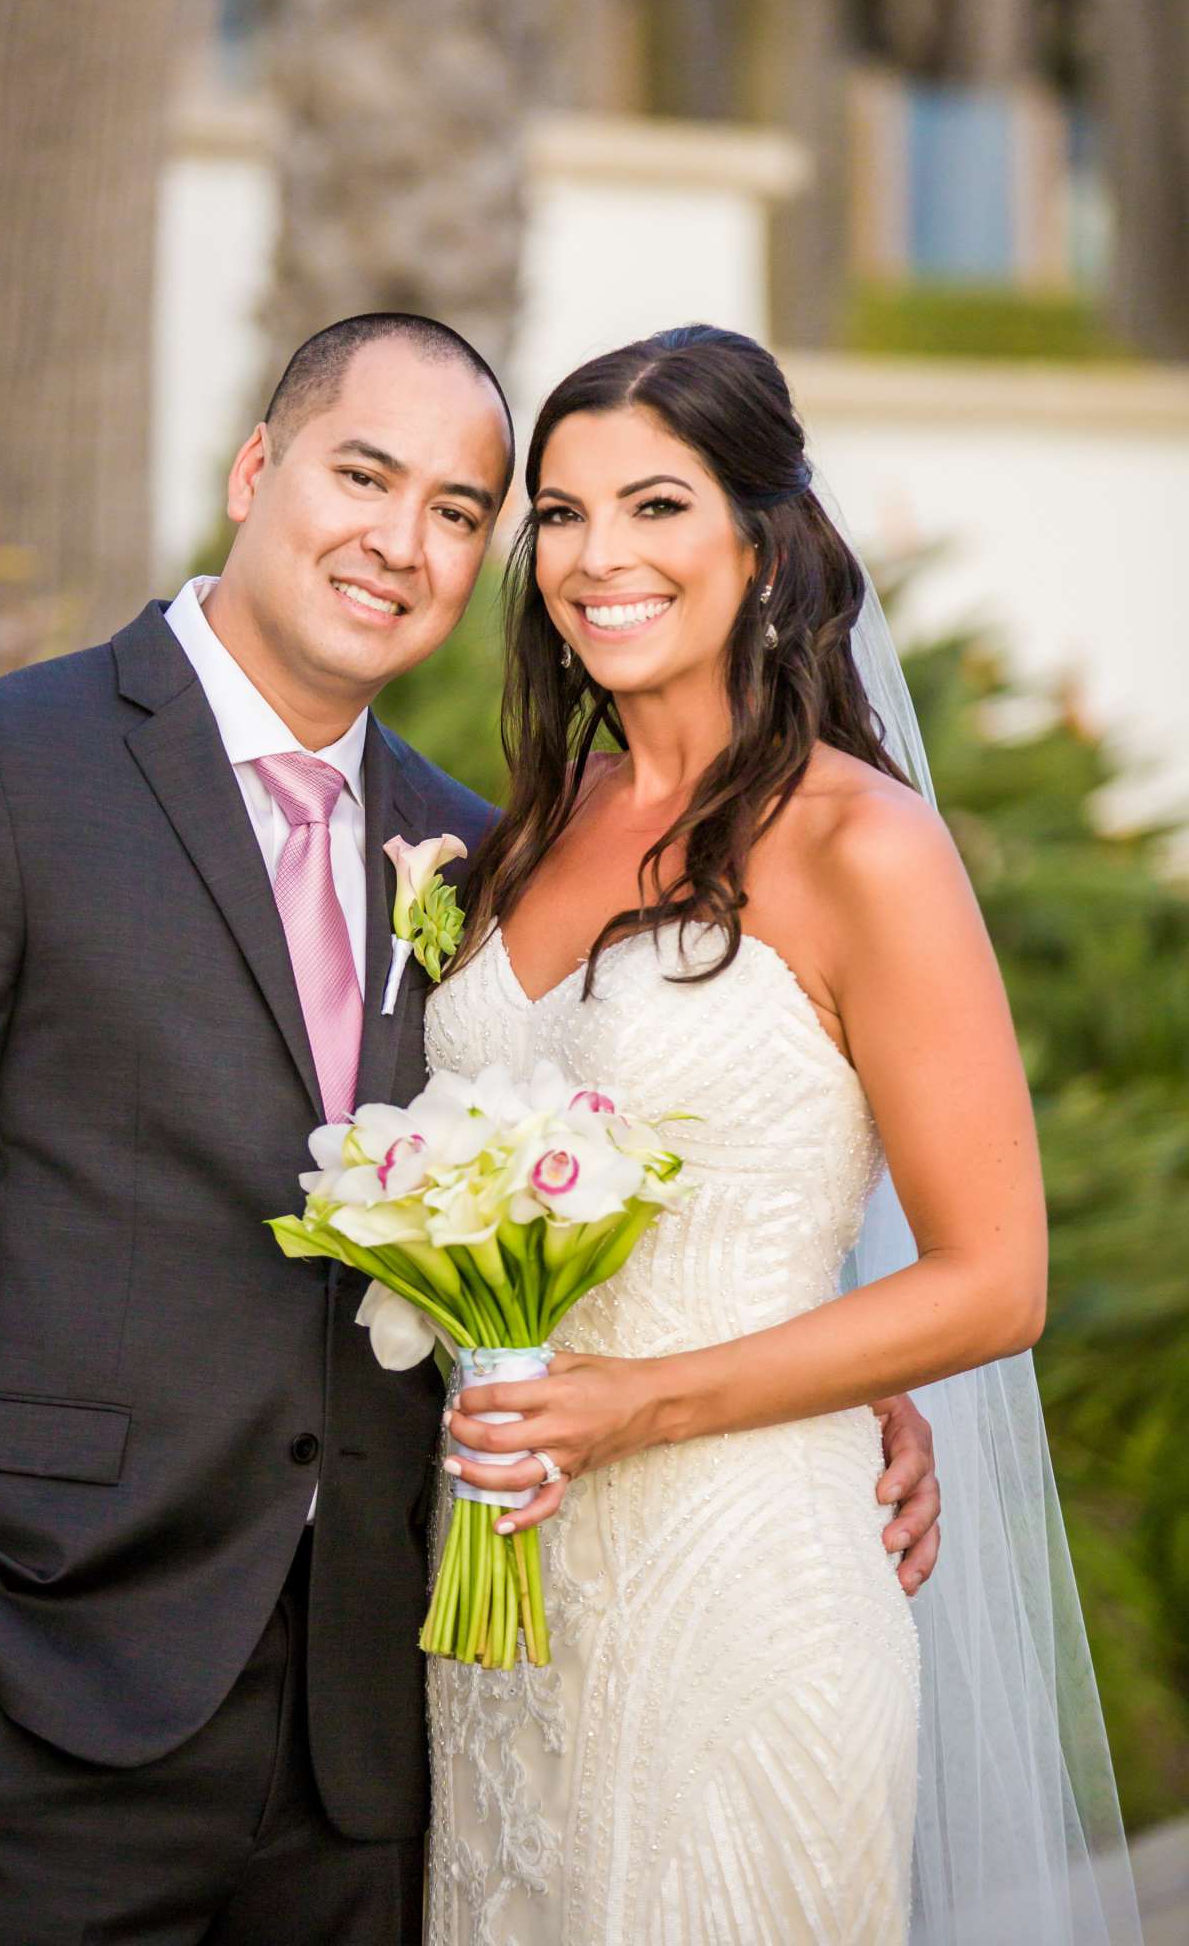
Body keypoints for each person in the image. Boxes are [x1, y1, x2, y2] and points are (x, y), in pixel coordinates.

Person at [0, 314, 940, 1946]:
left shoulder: (481, 856)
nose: (401, 541)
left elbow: (602, 1167)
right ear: (255, 469)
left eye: (459, 511)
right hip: (30, 1689)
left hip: (380, 1727)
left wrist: (838, 1372)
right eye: (363, 474)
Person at [427, 325, 1134, 1945]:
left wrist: (644, 1400)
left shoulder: (861, 845)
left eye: (656, 505)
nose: (596, 557)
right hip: (501, 1610)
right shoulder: (518, 833)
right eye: (559, 512)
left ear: (763, 543)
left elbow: (994, 1279)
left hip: (746, 1581)